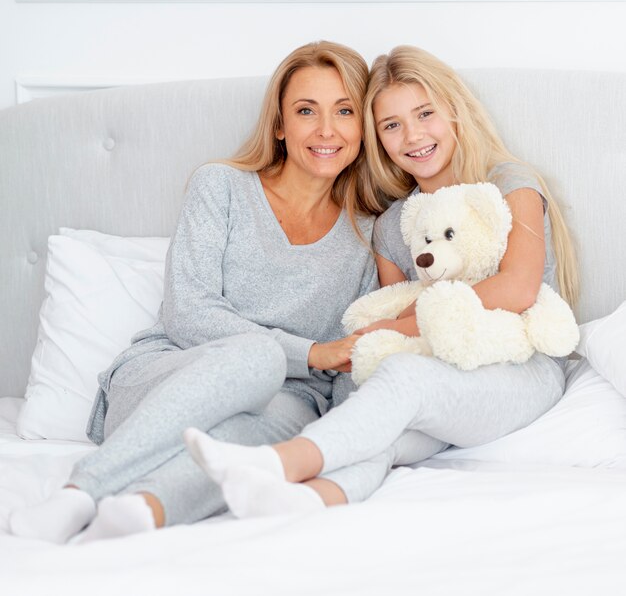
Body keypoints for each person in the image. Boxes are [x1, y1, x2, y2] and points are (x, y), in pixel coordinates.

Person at [9, 40, 383, 543]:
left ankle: (143, 511)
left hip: (289, 401)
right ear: (279, 124)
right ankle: (81, 491)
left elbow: (353, 355)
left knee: (252, 445)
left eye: (344, 111)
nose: (326, 130)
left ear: (363, 125)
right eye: (305, 111)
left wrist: (357, 432)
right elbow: (189, 313)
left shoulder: (368, 233)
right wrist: (311, 352)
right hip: (167, 379)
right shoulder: (222, 187)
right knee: (256, 358)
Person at [183, 45, 580, 518]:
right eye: (391, 125)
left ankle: (275, 464)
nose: (412, 136)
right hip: (439, 371)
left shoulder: (508, 184)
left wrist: (396, 329)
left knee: (403, 378)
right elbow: (390, 305)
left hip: (521, 367)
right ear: (376, 138)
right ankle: (306, 499)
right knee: (379, 430)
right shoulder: (392, 226)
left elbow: (517, 289)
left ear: (455, 112)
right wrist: (369, 355)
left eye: (425, 114)